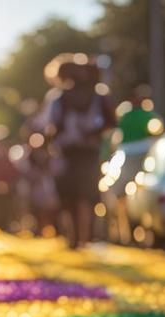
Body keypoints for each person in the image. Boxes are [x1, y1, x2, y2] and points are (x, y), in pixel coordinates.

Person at [42, 54, 115, 248]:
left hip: (70, 152)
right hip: (89, 150)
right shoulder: (99, 95)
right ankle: (85, 238)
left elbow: (51, 127)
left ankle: (75, 238)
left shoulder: (59, 97)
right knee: (86, 196)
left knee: (71, 196)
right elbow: (112, 122)